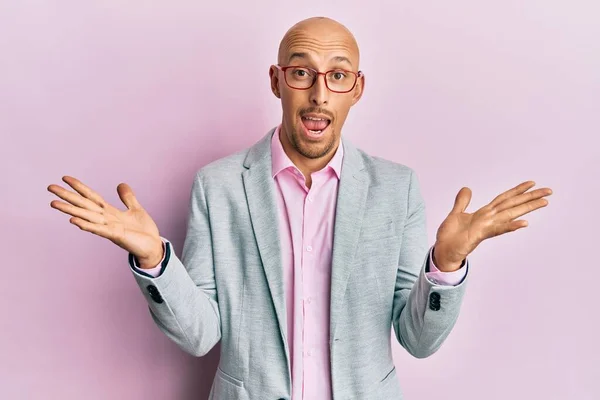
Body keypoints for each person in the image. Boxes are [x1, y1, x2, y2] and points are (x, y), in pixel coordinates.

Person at [47, 16, 552, 400]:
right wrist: (154, 260)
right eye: (301, 73)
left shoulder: (397, 188)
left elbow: (417, 340)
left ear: (356, 88)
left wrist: (444, 267)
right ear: (276, 80)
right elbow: (201, 336)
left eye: (336, 76)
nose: (318, 94)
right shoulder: (218, 186)